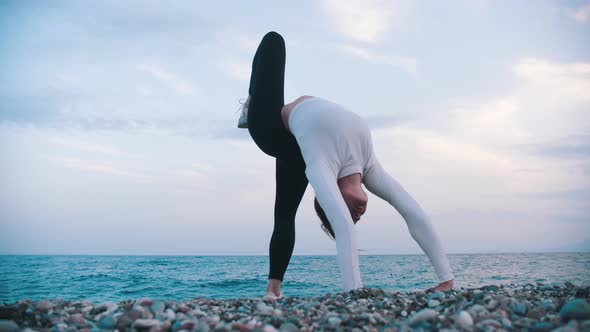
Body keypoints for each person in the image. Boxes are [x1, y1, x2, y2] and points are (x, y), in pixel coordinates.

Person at [238, 31, 454, 300]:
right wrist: (447, 279)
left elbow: (343, 225)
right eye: (356, 218)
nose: (358, 214)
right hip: (293, 137)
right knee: (274, 40)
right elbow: (412, 210)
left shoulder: (320, 168)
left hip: (269, 129)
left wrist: (354, 294)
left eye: (351, 213)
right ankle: (274, 288)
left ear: (333, 195)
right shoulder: (369, 166)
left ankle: (273, 290)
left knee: (273, 40)